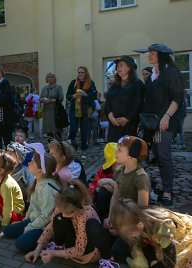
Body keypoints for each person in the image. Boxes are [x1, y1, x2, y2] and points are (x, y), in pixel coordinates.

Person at [135, 43, 184, 206]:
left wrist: (166, 117)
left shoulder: (172, 73)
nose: (149, 56)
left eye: (152, 53)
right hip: (150, 123)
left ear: (161, 56)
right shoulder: (152, 75)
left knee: (163, 156)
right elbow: (148, 101)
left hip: (165, 123)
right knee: (151, 155)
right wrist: (142, 123)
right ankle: (146, 187)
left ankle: (168, 191)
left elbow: (177, 98)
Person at [25, 180, 111, 266]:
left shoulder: (85, 214)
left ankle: (107, 260)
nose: (65, 215)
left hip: (87, 253)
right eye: (63, 211)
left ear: (80, 205)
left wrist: (53, 253)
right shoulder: (63, 206)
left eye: (70, 212)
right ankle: (59, 246)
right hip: (72, 245)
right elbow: (50, 228)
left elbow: (80, 249)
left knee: (92, 226)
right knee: (58, 218)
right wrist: (37, 250)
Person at [3, 143, 60, 253]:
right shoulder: (38, 181)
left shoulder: (47, 188)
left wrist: (29, 227)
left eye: (32, 161)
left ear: (40, 170)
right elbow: (33, 206)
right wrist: (26, 221)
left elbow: (46, 217)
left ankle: (48, 241)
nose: (29, 162)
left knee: (20, 245)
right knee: (7, 231)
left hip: (44, 227)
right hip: (35, 220)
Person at [110, 198, 192, 268]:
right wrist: (151, 260)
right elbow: (143, 243)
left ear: (140, 225)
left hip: (179, 238)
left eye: (130, 233)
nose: (128, 237)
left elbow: (171, 260)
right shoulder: (136, 222)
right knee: (120, 251)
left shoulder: (162, 226)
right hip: (155, 240)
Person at [104, 56, 145, 142]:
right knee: (114, 151)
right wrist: (111, 116)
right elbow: (108, 103)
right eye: (117, 66)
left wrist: (127, 118)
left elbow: (139, 104)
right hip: (114, 124)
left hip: (130, 125)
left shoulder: (137, 84)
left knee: (128, 150)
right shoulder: (114, 85)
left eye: (121, 65)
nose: (118, 68)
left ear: (130, 67)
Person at [66, 66, 97, 159]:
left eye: (82, 72)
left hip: (86, 109)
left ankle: (83, 149)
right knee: (73, 129)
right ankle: (69, 148)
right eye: (79, 72)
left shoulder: (91, 83)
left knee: (85, 130)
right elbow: (68, 95)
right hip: (74, 108)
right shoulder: (73, 83)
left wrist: (85, 95)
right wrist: (73, 96)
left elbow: (94, 96)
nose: (80, 74)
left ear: (86, 73)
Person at [88, 142, 118, 222]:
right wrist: (99, 186)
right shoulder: (102, 171)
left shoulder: (126, 171)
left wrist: (110, 182)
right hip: (100, 206)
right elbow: (91, 189)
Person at [41, 72, 64, 141]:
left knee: (57, 128)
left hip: (55, 110)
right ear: (46, 79)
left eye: (51, 77)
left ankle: (59, 144)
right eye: (48, 77)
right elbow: (40, 98)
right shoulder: (44, 88)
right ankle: (50, 145)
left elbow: (61, 98)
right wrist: (43, 100)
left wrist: (50, 100)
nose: (50, 78)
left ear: (54, 78)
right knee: (49, 130)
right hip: (47, 111)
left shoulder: (58, 87)